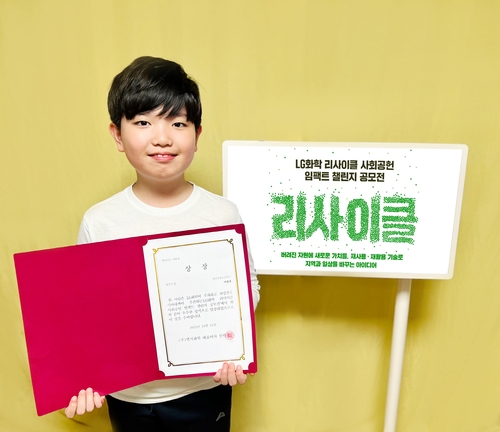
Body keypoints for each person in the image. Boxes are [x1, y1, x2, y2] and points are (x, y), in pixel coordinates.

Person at [64, 56, 260, 432]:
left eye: (178, 123)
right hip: (128, 394)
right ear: (117, 135)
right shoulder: (99, 220)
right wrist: (83, 377)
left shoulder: (222, 213)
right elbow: (85, 311)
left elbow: (247, 286)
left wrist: (235, 346)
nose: (162, 137)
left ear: (197, 134)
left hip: (204, 387)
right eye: (143, 122)